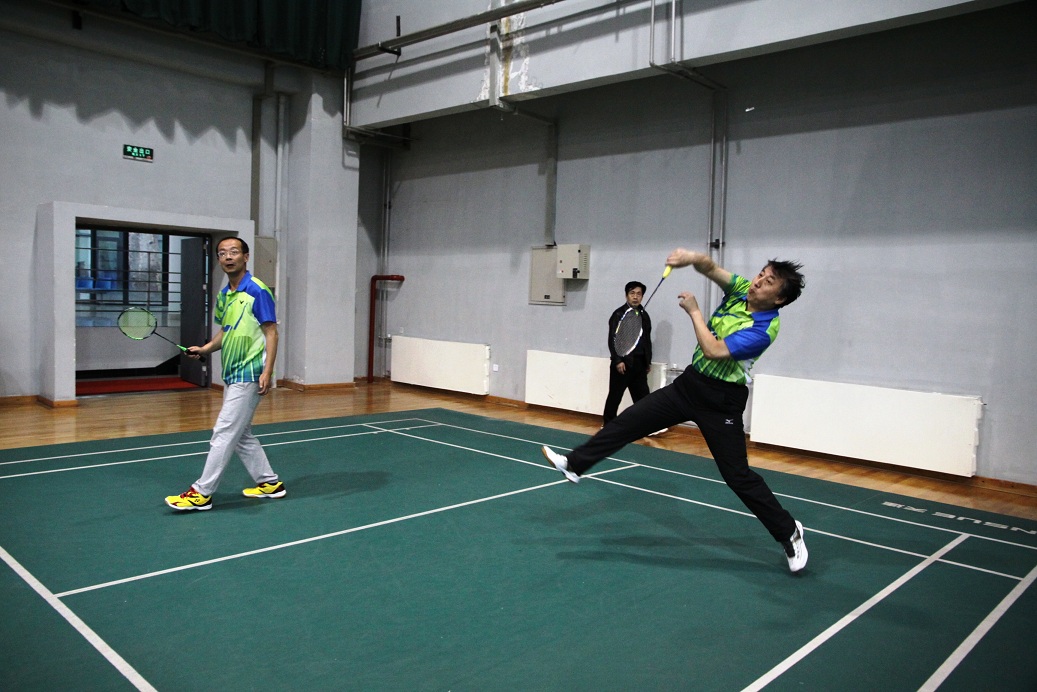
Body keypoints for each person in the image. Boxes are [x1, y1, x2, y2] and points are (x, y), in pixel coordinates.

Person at [542, 248, 809, 573]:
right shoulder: (741, 290)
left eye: (768, 283)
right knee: (629, 422)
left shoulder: (764, 329)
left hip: (722, 401)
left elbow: (714, 350)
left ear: (779, 299)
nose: (757, 282)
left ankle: (789, 532)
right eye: (761, 275)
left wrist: (695, 312)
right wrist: (690, 258)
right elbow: (709, 266)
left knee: (737, 476)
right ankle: (575, 464)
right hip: (689, 386)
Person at [164, 236, 285, 511]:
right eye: (222, 253)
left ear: (246, 256)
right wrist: (205, 349)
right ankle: (269, 483)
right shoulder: (224, 295)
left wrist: (267, 371)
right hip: (232, 371)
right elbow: (226, 331)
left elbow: (271, 332)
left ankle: (201, 493)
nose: (228, 257)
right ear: (218, 260)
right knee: (241, 434)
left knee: (224, 431)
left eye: (233, 252)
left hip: (250, 371)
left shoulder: (257, 290)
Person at [604, 281, 653, 426]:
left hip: (639, 364)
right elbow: (613, 339)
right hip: (623, 363)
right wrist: (618, 360)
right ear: (626, 295)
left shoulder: (644, 315)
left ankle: (645, 425)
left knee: (643, 398)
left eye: (639, 294)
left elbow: (646, 340)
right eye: (632, 293)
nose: (635, 297)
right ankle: (608, 424)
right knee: (615, 396)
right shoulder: (618, 314)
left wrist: (648, 361)